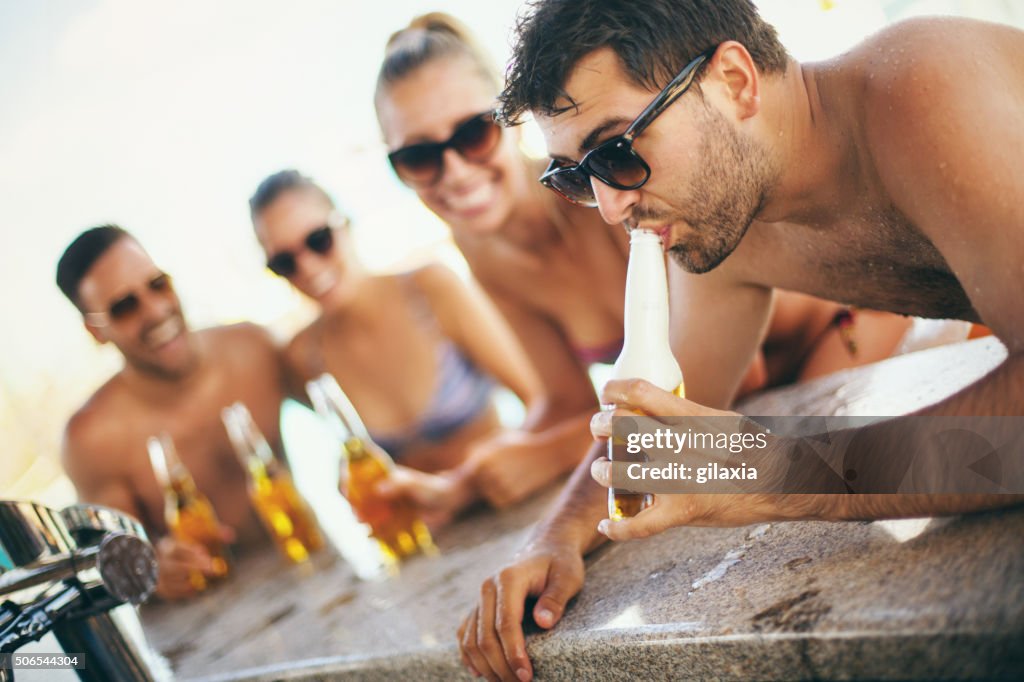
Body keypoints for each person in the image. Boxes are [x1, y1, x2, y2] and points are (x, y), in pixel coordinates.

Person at [457, 2, 1024, 679]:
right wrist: (554, 538)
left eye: (616, 151)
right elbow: (652, 431)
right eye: (576, 176)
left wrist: (775, 474)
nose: (609, 206)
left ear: (733, 80)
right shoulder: (729, 227)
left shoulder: (924, 86)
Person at [372, 14, 914, 481]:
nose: (454, 171)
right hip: (744, 400)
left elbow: (709, 388)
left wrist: (548, 457)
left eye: (471, 134)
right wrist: (465, 482)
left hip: (834, 335)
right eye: (418, 157)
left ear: (514, 120)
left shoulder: (616, 185)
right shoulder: (481, 251)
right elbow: (566, 401)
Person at [249, 170, 556, 521]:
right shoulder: (305, 357)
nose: (307, 266)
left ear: (345, 225)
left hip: (517, 507)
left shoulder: (430, 290)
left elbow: (541, 402)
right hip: (433, 541)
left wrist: (462, 487)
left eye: (319, 240)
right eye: (284, 262)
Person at [57, 226, 291, 600]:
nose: (155, 309)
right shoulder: (93, 439)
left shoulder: (255, 350)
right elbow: (111, 573)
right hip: (210, 618)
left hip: (313, 565)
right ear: (96, 331)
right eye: (124, 306)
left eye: (157, 283)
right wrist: (151, 576)